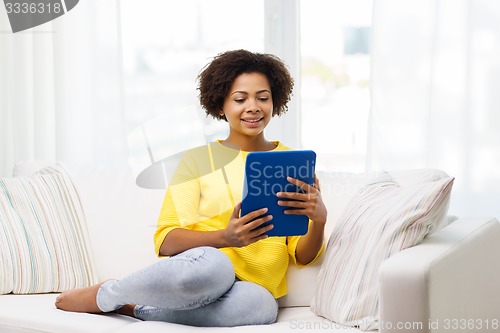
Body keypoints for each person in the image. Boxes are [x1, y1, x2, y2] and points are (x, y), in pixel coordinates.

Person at [55, 49, 327, 327]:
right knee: (217, 268)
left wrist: (318, 220)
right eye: (240, 99)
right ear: (221, 106)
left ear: (275, 101)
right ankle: (107, 293)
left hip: (251, 289)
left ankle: (131, 307)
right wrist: (226, 237)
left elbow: (302, 255)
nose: (253, 106)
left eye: (262, 98)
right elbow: (166, 240)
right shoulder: (197, 161)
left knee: (263, 307)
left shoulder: (289, 163)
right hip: (205, 270)